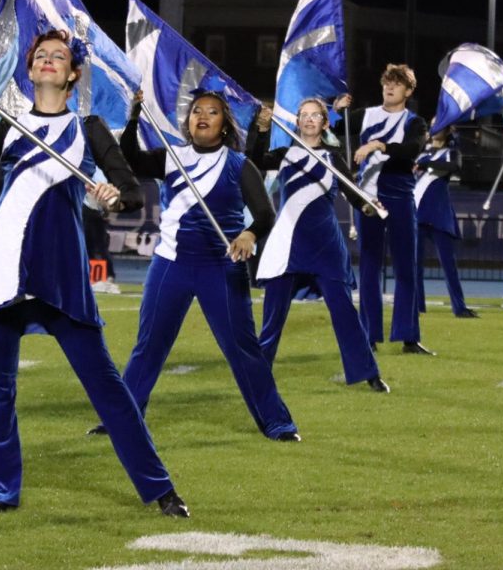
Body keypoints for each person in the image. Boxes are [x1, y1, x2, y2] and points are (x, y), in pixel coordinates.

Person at [0, 28, 188, 517]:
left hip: (61, 271)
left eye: (59, 56)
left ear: (73, 74)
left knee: (106, 386)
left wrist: (115, 196)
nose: (49, 61)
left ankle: (159, 488)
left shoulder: (89, 128)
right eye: (41, 56)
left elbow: (132, 189)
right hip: (3, 265)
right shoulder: (12, 125)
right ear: (31, 70)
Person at [94, 86, 300, 441]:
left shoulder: (239, 164)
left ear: (223, 125)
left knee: (243, 349)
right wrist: (133, 117)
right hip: (170, 264)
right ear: (188, 122)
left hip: (221, 267)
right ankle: (123, 419)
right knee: (149, 346)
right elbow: (128, 159)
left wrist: (250, 234)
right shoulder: (170, 156)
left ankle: (277, 423)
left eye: (212, 112)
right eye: (196, 111)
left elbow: (265, 214)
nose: (202, 116)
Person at [246, 96, 388, 392]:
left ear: (324, 123)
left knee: (344, 311)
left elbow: (353, 195)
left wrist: (368, 206)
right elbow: (253, 159)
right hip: (288, 243)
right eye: (304, 115)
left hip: (326, 244)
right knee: (273, 316)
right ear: (297, 122)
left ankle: (368, 372)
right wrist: (259, 129)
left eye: (315, 115)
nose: (309, 119)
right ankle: (259, 373)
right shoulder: (285, 153)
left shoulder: (334, 158)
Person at [344, 64, 433, 354]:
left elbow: (411, 150)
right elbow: (332, 128)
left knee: (406, 265)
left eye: (397, 84)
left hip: (399, 194)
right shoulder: (365, 115)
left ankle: (408, 337)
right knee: (369, 265)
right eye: (386, 83)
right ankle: (368, 335)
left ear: (408, 91)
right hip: (369, 197)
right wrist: (336, 110)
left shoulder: (415, 122)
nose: (390, 88)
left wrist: (376, 146)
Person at [415, 126, 478, 318]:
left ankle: (459, 307)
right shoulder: (422, 150)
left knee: (448, 265)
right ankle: (417, 307)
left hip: (439, 215)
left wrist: (427, 163)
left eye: (442, 124)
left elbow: (454, 167)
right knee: (414, 265)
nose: (436, 128)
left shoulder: (451, 152)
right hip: (417, 213)